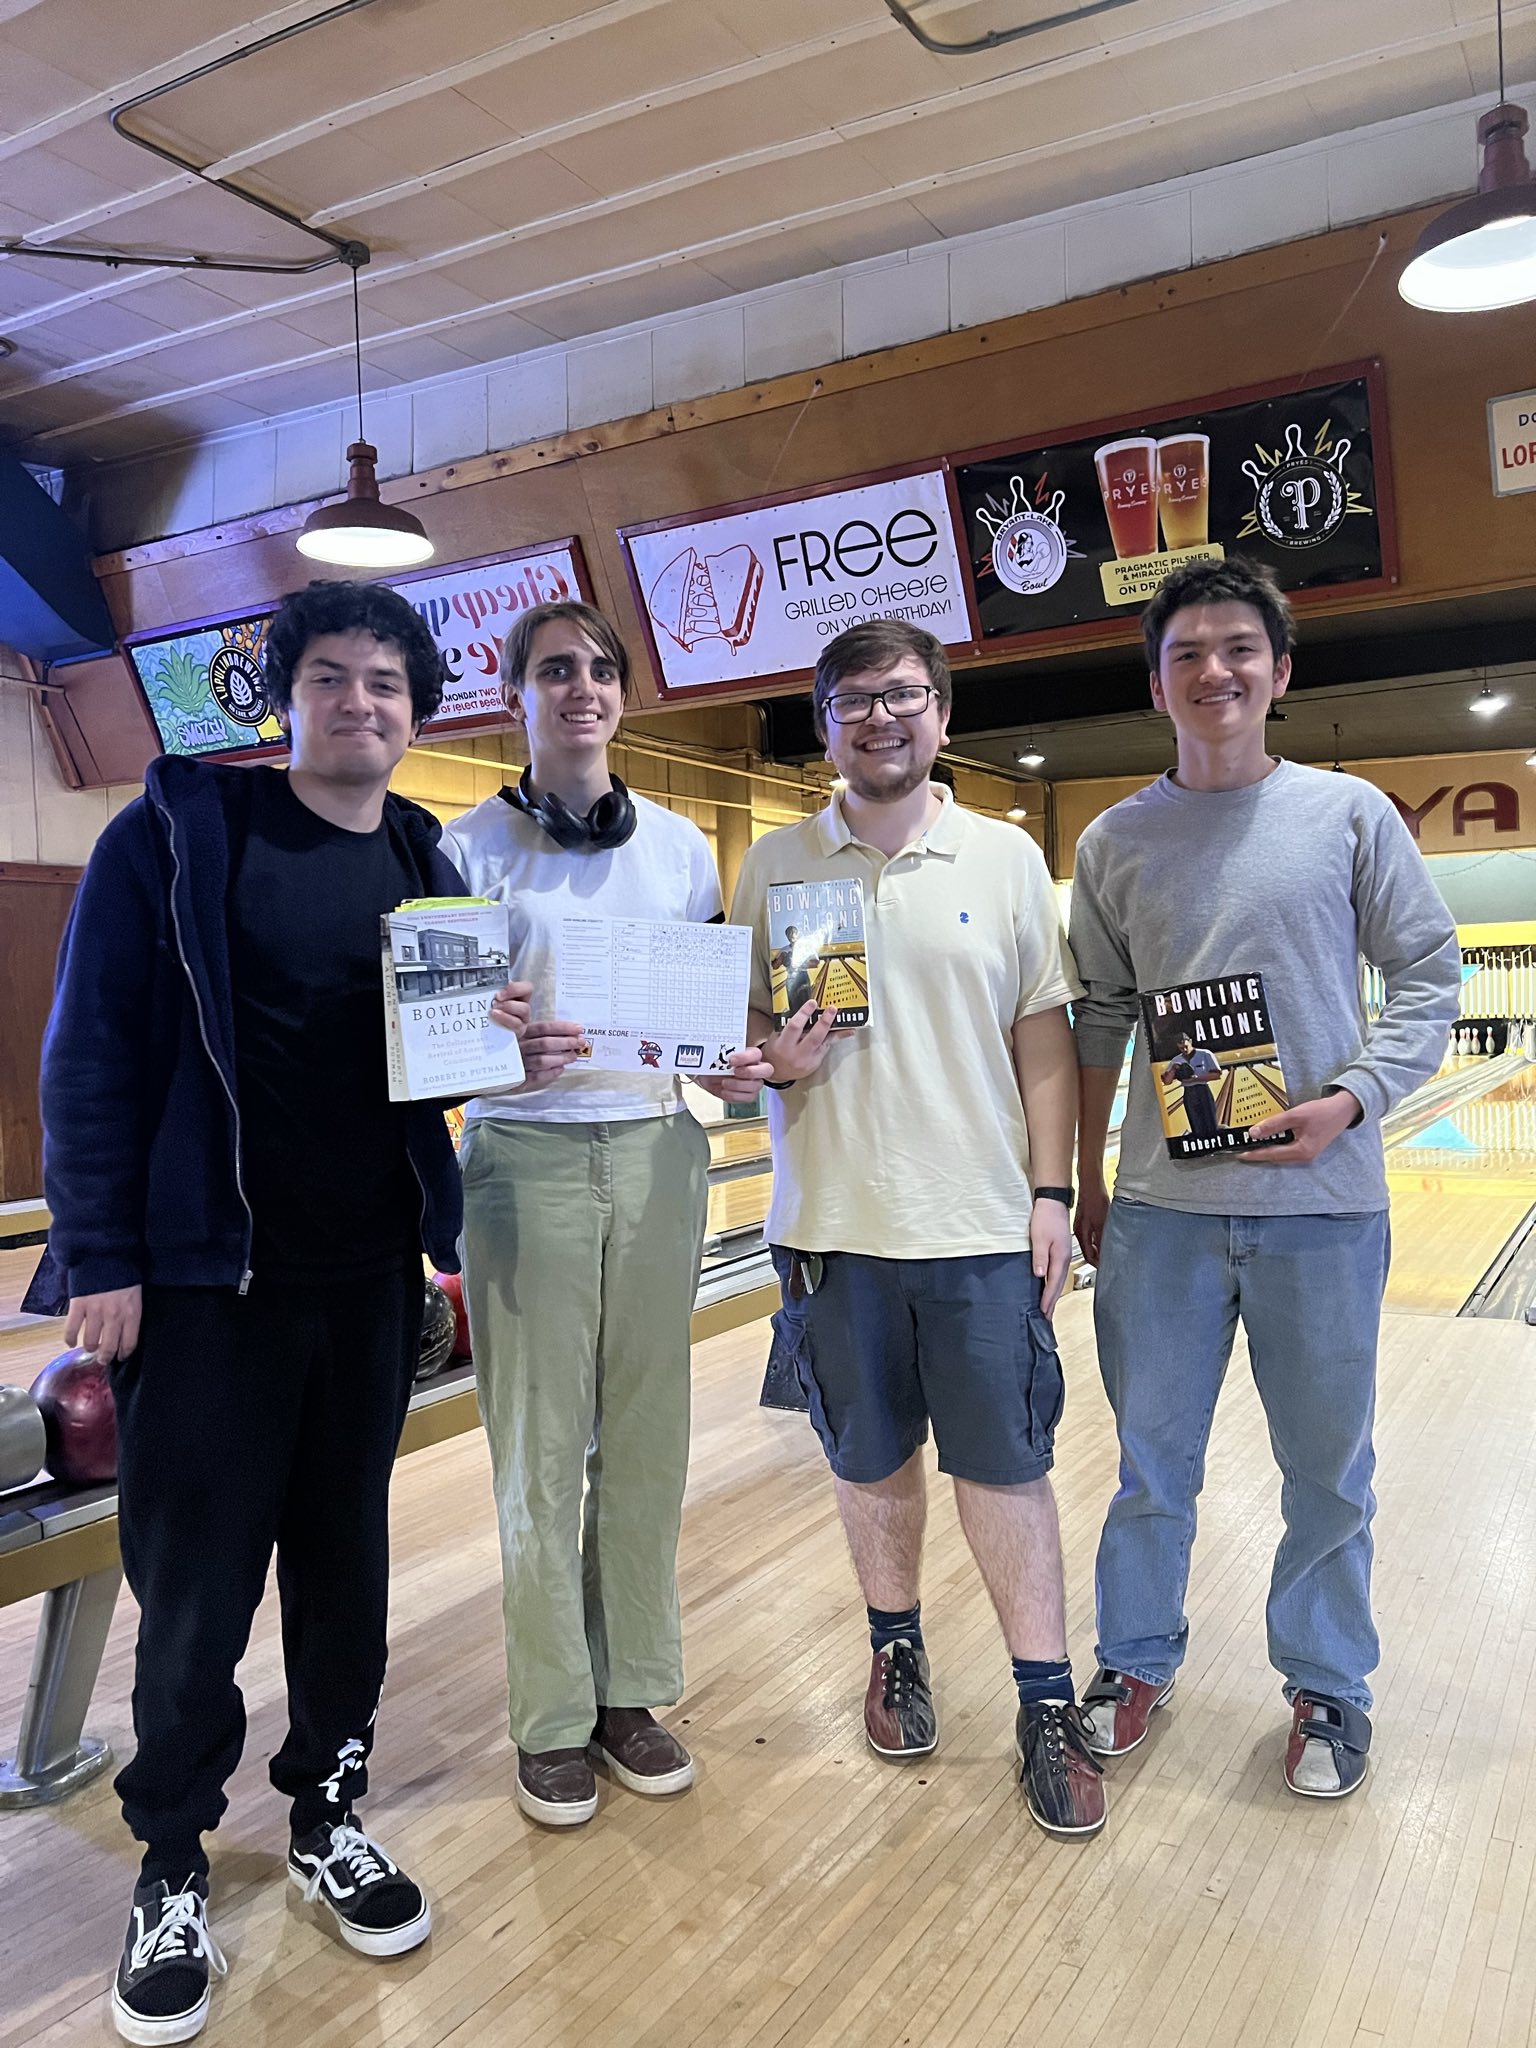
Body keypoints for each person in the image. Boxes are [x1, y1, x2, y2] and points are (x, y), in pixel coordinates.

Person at [32, 580, 534, 2046]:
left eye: (386, 681)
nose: (359, 701)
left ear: (416, 710)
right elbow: (90, 1049)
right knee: (195, 1590)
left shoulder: (424, 854)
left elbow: (426, 1070)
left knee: (344, 1565)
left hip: (367, 1278)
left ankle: (327, 1810)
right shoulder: (179, 835)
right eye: (330, 676)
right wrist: (102, 1254)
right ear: (285, 696)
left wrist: (505, 1045)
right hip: (208, 1285)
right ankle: (172, 1859)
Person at [1069, 556, 1460, 1798]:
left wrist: (1349, 1099)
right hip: (1161, 1216)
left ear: (1280, 671)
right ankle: (1133, 1659)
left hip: (1324, 1210)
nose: (1214, 669)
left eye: (1239, 647)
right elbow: (1098, 1015)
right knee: (1150, 1466)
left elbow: (1430, 975)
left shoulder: (1350, 813)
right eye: (1186, 651)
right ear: (1157, 683)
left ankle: (1328, 1684)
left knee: (1329, 1472)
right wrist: (1084, 1174)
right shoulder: (1114, 840)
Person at [730, 617, 1106, 1837]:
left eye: (901, 694)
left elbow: (1041, 1036)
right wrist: (764, 1063)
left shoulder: (1003, 857)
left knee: (1008, 1464)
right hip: (831, 1224)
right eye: (853, 699)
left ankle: (1044, 1700)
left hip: (979, 1222)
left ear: (941, 712)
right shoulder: (776, 862)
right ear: (825, 724)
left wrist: (1051, 1193)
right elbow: (734, 1042)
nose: (879, 716)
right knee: (867, 1456)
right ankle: (895, 1647)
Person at [440, 601, 769, 1828]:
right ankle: (549, 1715)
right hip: (521, 1157)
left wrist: (739, 1066)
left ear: (624, 695)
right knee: (536, 1448)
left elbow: (709, 1028)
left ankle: (629, 1690)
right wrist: (495, 1053)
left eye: (599, 670)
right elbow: (434, 1042)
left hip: (656, 1152)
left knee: (644, 1436)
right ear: (514, 694)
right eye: (554, 670)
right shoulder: (462, 849)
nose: (580, 688)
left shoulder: (679, 849)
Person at [1160, 1031, 1221, 1140]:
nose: (1184, 1049)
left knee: (1211, 1123)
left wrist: (1197, 1078)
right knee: (1196, 1124)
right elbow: (1167, 1081)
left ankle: (1215, 1142)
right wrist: (1173, 1069)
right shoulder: (1176, 1060)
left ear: (1191, 1042)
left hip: (1203, 1091)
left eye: (1186, 1046)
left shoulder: (1205, 1054)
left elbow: (1217, 1075)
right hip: (1189, 1093)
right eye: (1181, 1048)